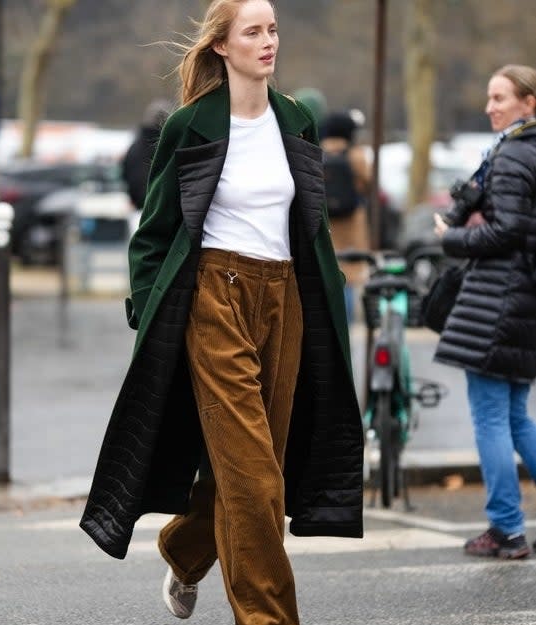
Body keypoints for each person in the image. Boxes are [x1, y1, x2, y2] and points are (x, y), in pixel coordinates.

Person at [79, 1, 364, 623]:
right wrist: (149, 311)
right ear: (221, 47)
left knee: (255, 468)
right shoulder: (191, 125)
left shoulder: (297, 120)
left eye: (273, 30)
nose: (269, 42)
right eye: (254, 32)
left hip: (285, 297)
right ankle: (268, 616)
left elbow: (308, 227)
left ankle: (184, 549)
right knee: (255, 479)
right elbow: (153, 232)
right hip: (214, 295)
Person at [433, 63, 536, 560]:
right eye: (489, 97)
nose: (490, 107)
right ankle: (508, 525)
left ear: (528, 104)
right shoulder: (528, 150)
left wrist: (451, 237)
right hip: (523, 299)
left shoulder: (514, 154)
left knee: (492, 416)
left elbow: (509, 229)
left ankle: (506, 528)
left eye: (500, 98)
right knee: (516, 417)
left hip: (499, 299)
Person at [319, 110, 371, 324]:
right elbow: (368, 181)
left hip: (326, 221)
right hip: (351, 224)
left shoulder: (318, 151)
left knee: (329, 271)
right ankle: (346, 325)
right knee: (349, 277)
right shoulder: (355, 154)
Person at [123, 98, 173, 210]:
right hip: (157, 208)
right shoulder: (166, 145)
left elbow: (125, 172)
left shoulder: (135, 145)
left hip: (140, 208)